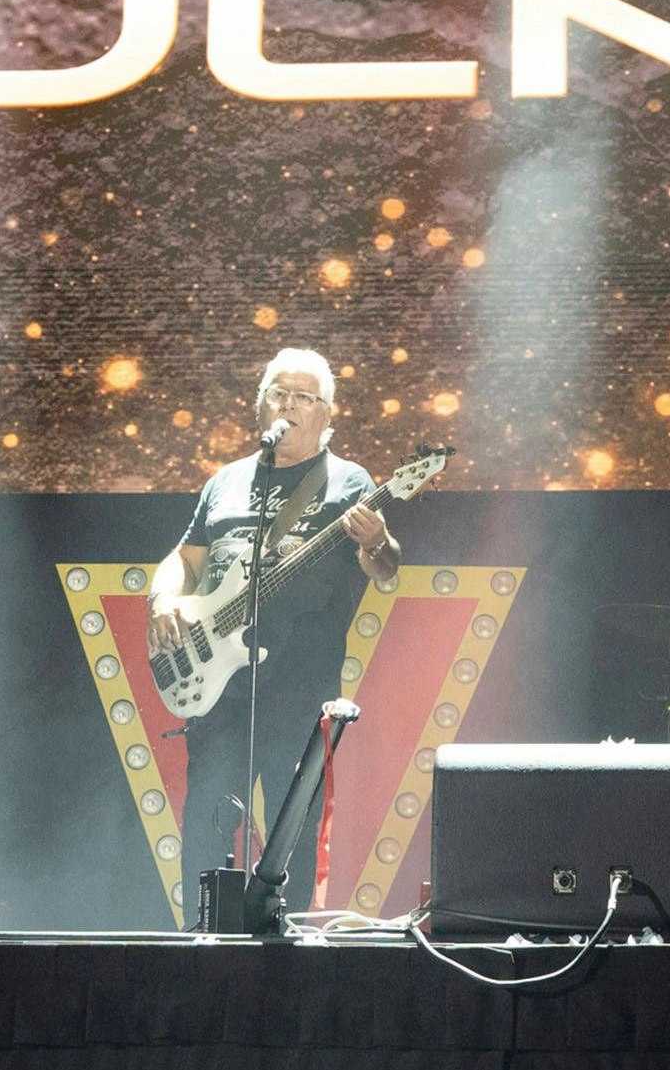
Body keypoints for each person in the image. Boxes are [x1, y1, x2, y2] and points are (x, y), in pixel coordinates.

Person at [146, 348, 399, 917]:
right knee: (207, 821)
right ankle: (204, 935)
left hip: (299, 687)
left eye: (304, 397)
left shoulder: (348, 481)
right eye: (279, 393)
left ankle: (291, 943)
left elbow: (384, 568)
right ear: (260, 404)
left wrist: (376, 541)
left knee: (293, 829)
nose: (289, 405)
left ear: (326, 413)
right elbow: (184, 560)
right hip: (220, 690)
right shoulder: (226, 481)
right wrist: (162, 599)